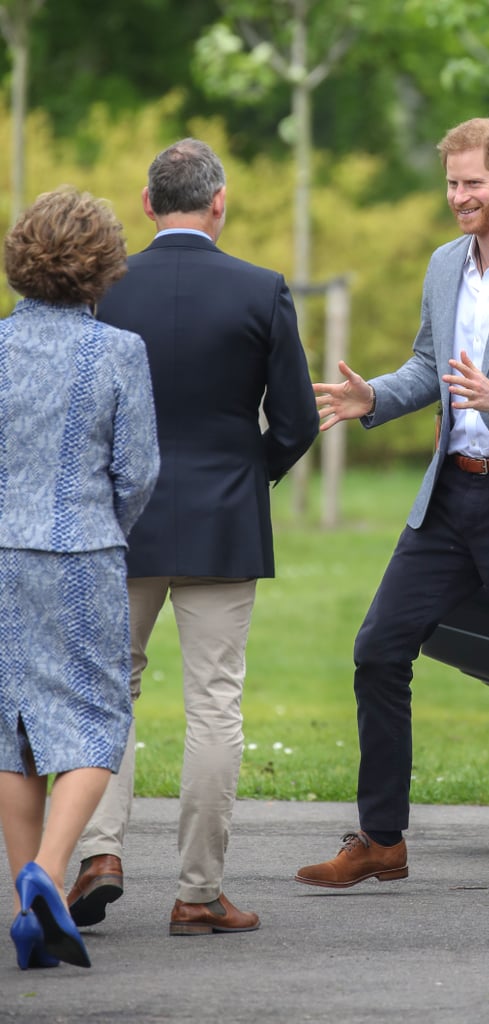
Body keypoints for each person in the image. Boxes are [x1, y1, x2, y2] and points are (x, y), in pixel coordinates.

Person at [295, 118, 489, 899]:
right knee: (377, 649)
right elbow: (431, 367)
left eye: (471, 183)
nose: (457, 198)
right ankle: (380, 840)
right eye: (449, 184)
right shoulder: (444, 265)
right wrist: (376, 396)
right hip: (450, 493)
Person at [67, 138, 319, 935]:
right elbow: (297, 422)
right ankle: (199, 892)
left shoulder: (103, 289)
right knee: (215, 703)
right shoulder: (262, 289)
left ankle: (98, 853)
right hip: (221, 520)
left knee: (109, 691)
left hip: (118, 521)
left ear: (147, 203)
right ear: (219, 203)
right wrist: (251, 473)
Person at [0, 187, 159, 970]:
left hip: (0, 559)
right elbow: (137, 473)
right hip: (82, 555)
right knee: (99, 721)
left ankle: (31, 908)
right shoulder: (118, 352)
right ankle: (47, 880)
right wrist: (104, 529)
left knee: (14, 732)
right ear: (103, 267)